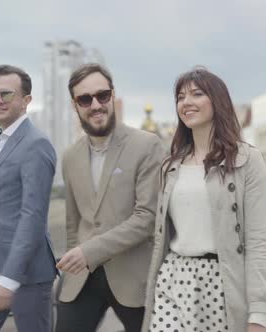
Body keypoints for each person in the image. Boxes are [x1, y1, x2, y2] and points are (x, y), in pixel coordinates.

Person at [142, 67, 266, 332]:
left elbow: (258, 242)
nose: (186, 102)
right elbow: (161, 236)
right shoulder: (170, 166)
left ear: (218, 102)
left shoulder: (247, 160)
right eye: (180, 97)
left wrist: (259, 313)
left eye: (197, 94)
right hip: (174, 278)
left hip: (223, 282)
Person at [55, 63, 165, 332]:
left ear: (113, 95)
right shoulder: (69, 157)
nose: (95, 105)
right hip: (82, 279)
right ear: (75, 105)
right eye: (85, 99)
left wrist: (88, 251)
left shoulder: (147, 145)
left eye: (102, 95)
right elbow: (74, 222)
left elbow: (147, 218)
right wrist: (73, 265)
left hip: (134, 277)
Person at [0, 65, 57, 332]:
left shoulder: (35, 144)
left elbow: (33, 217)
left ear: (26, 101)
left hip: (27, 273)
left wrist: (9, 278)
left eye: (6, 94)